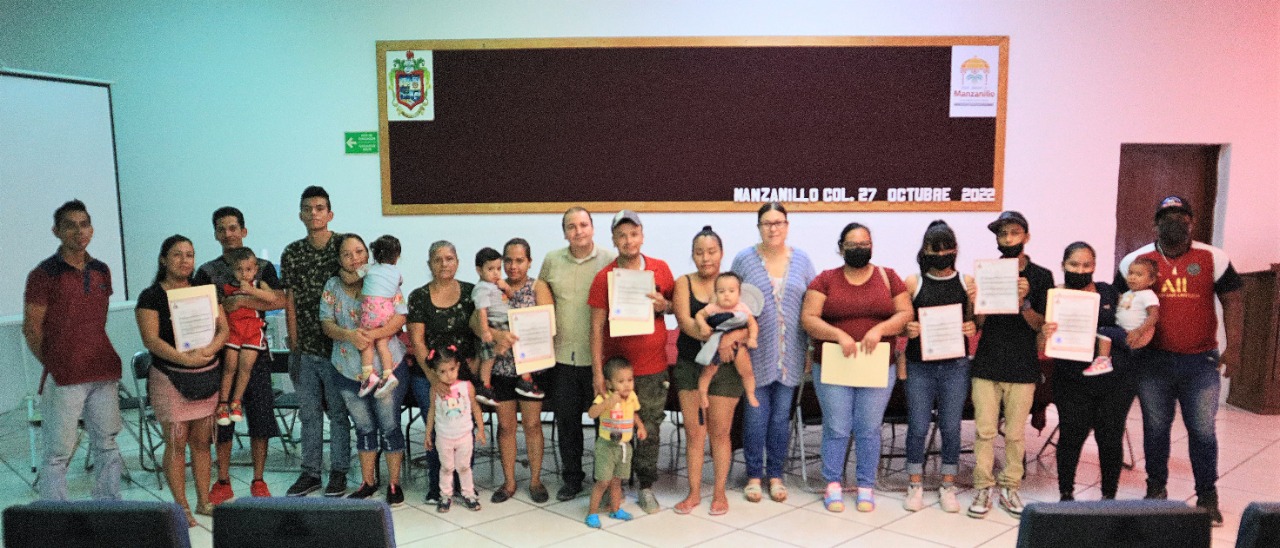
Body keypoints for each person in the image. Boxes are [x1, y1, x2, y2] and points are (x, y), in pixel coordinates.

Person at [1116, 195, 1243, 526]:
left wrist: (1235, 347)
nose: (1174, 222)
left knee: (1202, 431)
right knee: (1156, 429)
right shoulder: (1135, 260)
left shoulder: (1213, 258)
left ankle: (1207, 497)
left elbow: (1233, 301)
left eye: (1181, 217)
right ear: (1155, 224)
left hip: (1200, 362)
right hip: (1151, 362)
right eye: (1167, 217)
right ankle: (1155, 491)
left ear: (1192, 223)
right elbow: (1118, 303)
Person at [801, 222, 912, 513]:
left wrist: (880, 329)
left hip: (877, 365)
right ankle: (832, 484)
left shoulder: (888, 277)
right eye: (852, 244)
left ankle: (865, 485)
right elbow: (809, 318)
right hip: (834, 364)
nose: (859, 249)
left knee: (869, 428)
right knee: (837, 427)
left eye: (865, 244)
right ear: (841, 248)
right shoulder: (825, 279)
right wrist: (837, 334)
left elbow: (905, 313)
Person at [23, 199, 124, 502]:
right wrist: (57, 362)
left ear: (91, 229)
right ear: (56, 231)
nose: (79, 231)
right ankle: (55, 515)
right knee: (58, 452)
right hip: (65, 377)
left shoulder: (101, 270)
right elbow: (31, 329)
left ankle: (109, 506)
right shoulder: (43, 274)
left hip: (103, 370)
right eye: (70, 226)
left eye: (84, 225)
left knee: (107, 444)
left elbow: (97, 319)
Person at [136, 235, 229, 526]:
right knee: (176, 443)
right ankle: (182, 508)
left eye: (190, 254)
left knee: (202, 443)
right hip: (170, 377)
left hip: (206, 375)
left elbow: (223, 330)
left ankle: (204, 501)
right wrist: (184, 359)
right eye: (177, 254)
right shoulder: (151, 296)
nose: (184, 260)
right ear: (163, 259)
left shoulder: (204, 291)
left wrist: (210, 350)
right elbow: (151, 340)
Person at [965, 210, 1053, 520]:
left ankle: (1010, 486)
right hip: (987, 361)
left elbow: (1041, 325)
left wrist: (1024, 301)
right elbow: (978, 324)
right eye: (1002, 234)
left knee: (1015, 433)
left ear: (1026, 236)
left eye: (1014, 233)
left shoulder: (1041, 276)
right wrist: (975, 302)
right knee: (985, 431)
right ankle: (982, 487)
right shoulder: (988, 271)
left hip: (1022, 364)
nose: (1008, 239)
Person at [193, 206, 284, 503]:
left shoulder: (263, 266)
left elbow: (279, 301)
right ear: (215, 234)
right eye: (221, 229)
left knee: (260, 416)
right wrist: (225, 309)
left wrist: (243, 300)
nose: (228, 234)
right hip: (222, 350)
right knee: (223, 418)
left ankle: (258, 479)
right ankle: (223, 480)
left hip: (256, 349)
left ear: (244, 231)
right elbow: (200, 309)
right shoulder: (206, 271)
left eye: (233, 228)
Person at [588, 210, 675, 514]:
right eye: (622, 235)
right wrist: (598, 373)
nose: (628, 240)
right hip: (615, 373)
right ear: (613, 239)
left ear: (642, 236)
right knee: (614, 428)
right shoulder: (604, 277)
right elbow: (595, 328)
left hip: (652, 368)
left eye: (634, 234)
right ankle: (614, 484)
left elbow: (676, 307)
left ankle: (646, 486)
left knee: (648, 429)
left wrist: (666, 305)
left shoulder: (661, 269)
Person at [731, 202, 815, 504]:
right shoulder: (744, 260)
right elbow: (731, 302)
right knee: (755, 416)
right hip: (754, 354)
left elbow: (812, 306)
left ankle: (776, 474)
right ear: (759, 227)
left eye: (778, 222)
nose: (773, 228)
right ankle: (754, 475)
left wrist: (810, 349)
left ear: (787, 226)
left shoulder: (802, 261)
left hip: (791, 354)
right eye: (767, 223)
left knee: (781, 418)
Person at [1042, 242, 1138, 503]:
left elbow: (1130, 330)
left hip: (1114, 380)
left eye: (1087, 265)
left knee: (1110, 438)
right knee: (1071, 436)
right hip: (1072, 379)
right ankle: (1066, 495)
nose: (1080, 270)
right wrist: (1045, 332)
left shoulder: (1110, 292)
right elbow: (1041, 345)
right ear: (1063, 265)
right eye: (1074, 264)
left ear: (1094, 266)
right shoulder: (1054, 297)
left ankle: (1108, 497)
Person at [319, 233, 410, 507]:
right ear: (338, 259)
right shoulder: (332, 285)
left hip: (387, 368)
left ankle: (394, 484)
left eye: (359, 252)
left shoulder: (382, 277)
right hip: (348, 370)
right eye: (347, 254)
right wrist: (349, 335)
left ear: (368, 254)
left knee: (390, 426)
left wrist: (374, 334)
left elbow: (400, 315)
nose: (354, 258)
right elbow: (326, 323)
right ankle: (368, 482)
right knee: (364, 427)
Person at [536, 207, 616, 502]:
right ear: (564, 232)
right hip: (562, 358)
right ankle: (572, 479)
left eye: (583, 224)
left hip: (600, 360)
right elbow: (541, 298)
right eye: (571, 226)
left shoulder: (610, 259)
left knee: (604, 425)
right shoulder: (551, 260)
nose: (578, 231)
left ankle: (605, 480)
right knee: (567, 423)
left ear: (593, 228)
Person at [900, 220, 975, 513]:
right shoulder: (913, 282)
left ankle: (948, 483)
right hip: (920, 365)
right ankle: (914, 483)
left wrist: (972, 324)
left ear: (955, 250)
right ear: (925, 251)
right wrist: (908, 328)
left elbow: (976, 320)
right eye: (935, 249)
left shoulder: (966, 281)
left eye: (947, 249)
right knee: (918, 425)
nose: (942, 255)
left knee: (951, 426)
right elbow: (901, 321)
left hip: (955, 365)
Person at [281, 186, 351, 497]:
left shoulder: (344, 246)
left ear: (330, 213)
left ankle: (339, 471)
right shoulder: (292, 252)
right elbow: (290, 299)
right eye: (308, 208)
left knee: (338, 413)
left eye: (320, 208)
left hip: (339, 347)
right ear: (300, 214)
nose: (314, 213)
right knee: (309, 414)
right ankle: (310, 472)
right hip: (306, 347)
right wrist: (294, 345)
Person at [671, 225, 745, 516]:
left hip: (726, 368)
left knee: (720, 432)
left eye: (712, 251)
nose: (706, 258)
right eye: (699, 252)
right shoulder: (683, 282)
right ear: (692, 255)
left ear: (721, 253)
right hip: (691, 365)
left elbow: (748, 322)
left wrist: (731, 338)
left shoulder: (731, 283)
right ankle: (693, 493)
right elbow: (686, 322)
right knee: (694, 433)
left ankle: (719, 493)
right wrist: (717, 337)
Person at [407, 240, 476, 505]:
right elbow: (417, 341)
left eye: (449, 258)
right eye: (438, 259)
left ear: (457, 262)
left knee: (463, 427)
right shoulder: (419, 296)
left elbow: (480, 331)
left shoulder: (471, 292)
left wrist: (477, 367)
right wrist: (434, 378)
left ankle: (463, 484)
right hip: (428, 374)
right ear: (429, 264)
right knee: (438, 429)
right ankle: (437, 487)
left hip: (463, 375)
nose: (444, 264)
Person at [486, 238, 553, 504]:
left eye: (519, 260)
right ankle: (509, 482)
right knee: (506, 427)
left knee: (533, 425)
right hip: (501, 368)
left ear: (529, 262)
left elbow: (548, 323)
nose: (513, 266)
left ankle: (535, 481)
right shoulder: (492, 286)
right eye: (508, 260)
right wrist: (495, 335)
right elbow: (477, 322)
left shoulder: (538, 287)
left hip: (531, 368)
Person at [213, 247, 274, 426]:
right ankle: (223, 403)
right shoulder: (227, 287)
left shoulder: (259, 285)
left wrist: (252, 291)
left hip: (253, 332)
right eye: (239, 269)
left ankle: (236, 402)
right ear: (233, 270)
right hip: (233, 331)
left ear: (255, 270)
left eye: (248, 269)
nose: (244, 274)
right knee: (230, 366)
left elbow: (272, 299)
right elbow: (222, 306)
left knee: (246, 367)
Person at [585, 357, 647, 529]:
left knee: (616, 481)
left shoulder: (632, 397)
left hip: (624, 446)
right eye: (621, 381)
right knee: (603, 481)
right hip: (606, 446)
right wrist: (607, 402)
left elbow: (633, 414)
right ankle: (592, 513)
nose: (627, 385)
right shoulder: (605, 396)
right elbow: (592, 413)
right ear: (609, 383)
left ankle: (615, 509)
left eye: (630, 380)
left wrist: (640, 427)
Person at [423, 346, 484, 512]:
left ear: (458, 366)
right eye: (442, 372)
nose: (448, 375)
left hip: (464, 435)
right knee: (446, 467)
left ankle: (468, 493)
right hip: (444, 437)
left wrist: (481, 429)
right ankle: (445, 495)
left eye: (451, 369)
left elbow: (475, 407)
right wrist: (428, 433)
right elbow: (432, 411)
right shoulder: (435, 390)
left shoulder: (466, 386)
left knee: (464, 467)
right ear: (435, 372)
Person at [693, 272, 760, 409]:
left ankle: (750, 393)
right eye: (721, 291)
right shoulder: (713, 307)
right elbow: (699, 315)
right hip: (716, 343)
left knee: (747, 371)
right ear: (715, 293)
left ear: (739, 293)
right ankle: (702, 393)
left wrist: (752, 338)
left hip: (738, 345)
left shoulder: (742, 308)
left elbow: (752, 324)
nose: (726, 295)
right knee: (708, 371)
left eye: (731, 291)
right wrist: (703, 325)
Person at [356, 235, 404, 398]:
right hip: (388, 311)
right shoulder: (397, 273)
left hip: (371, 310)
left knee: (367, 342)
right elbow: (399, 283)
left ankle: (368, 376)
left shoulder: (368, 268)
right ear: (397, 257)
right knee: (382, 343)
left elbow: (354, 276)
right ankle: (388, 374)